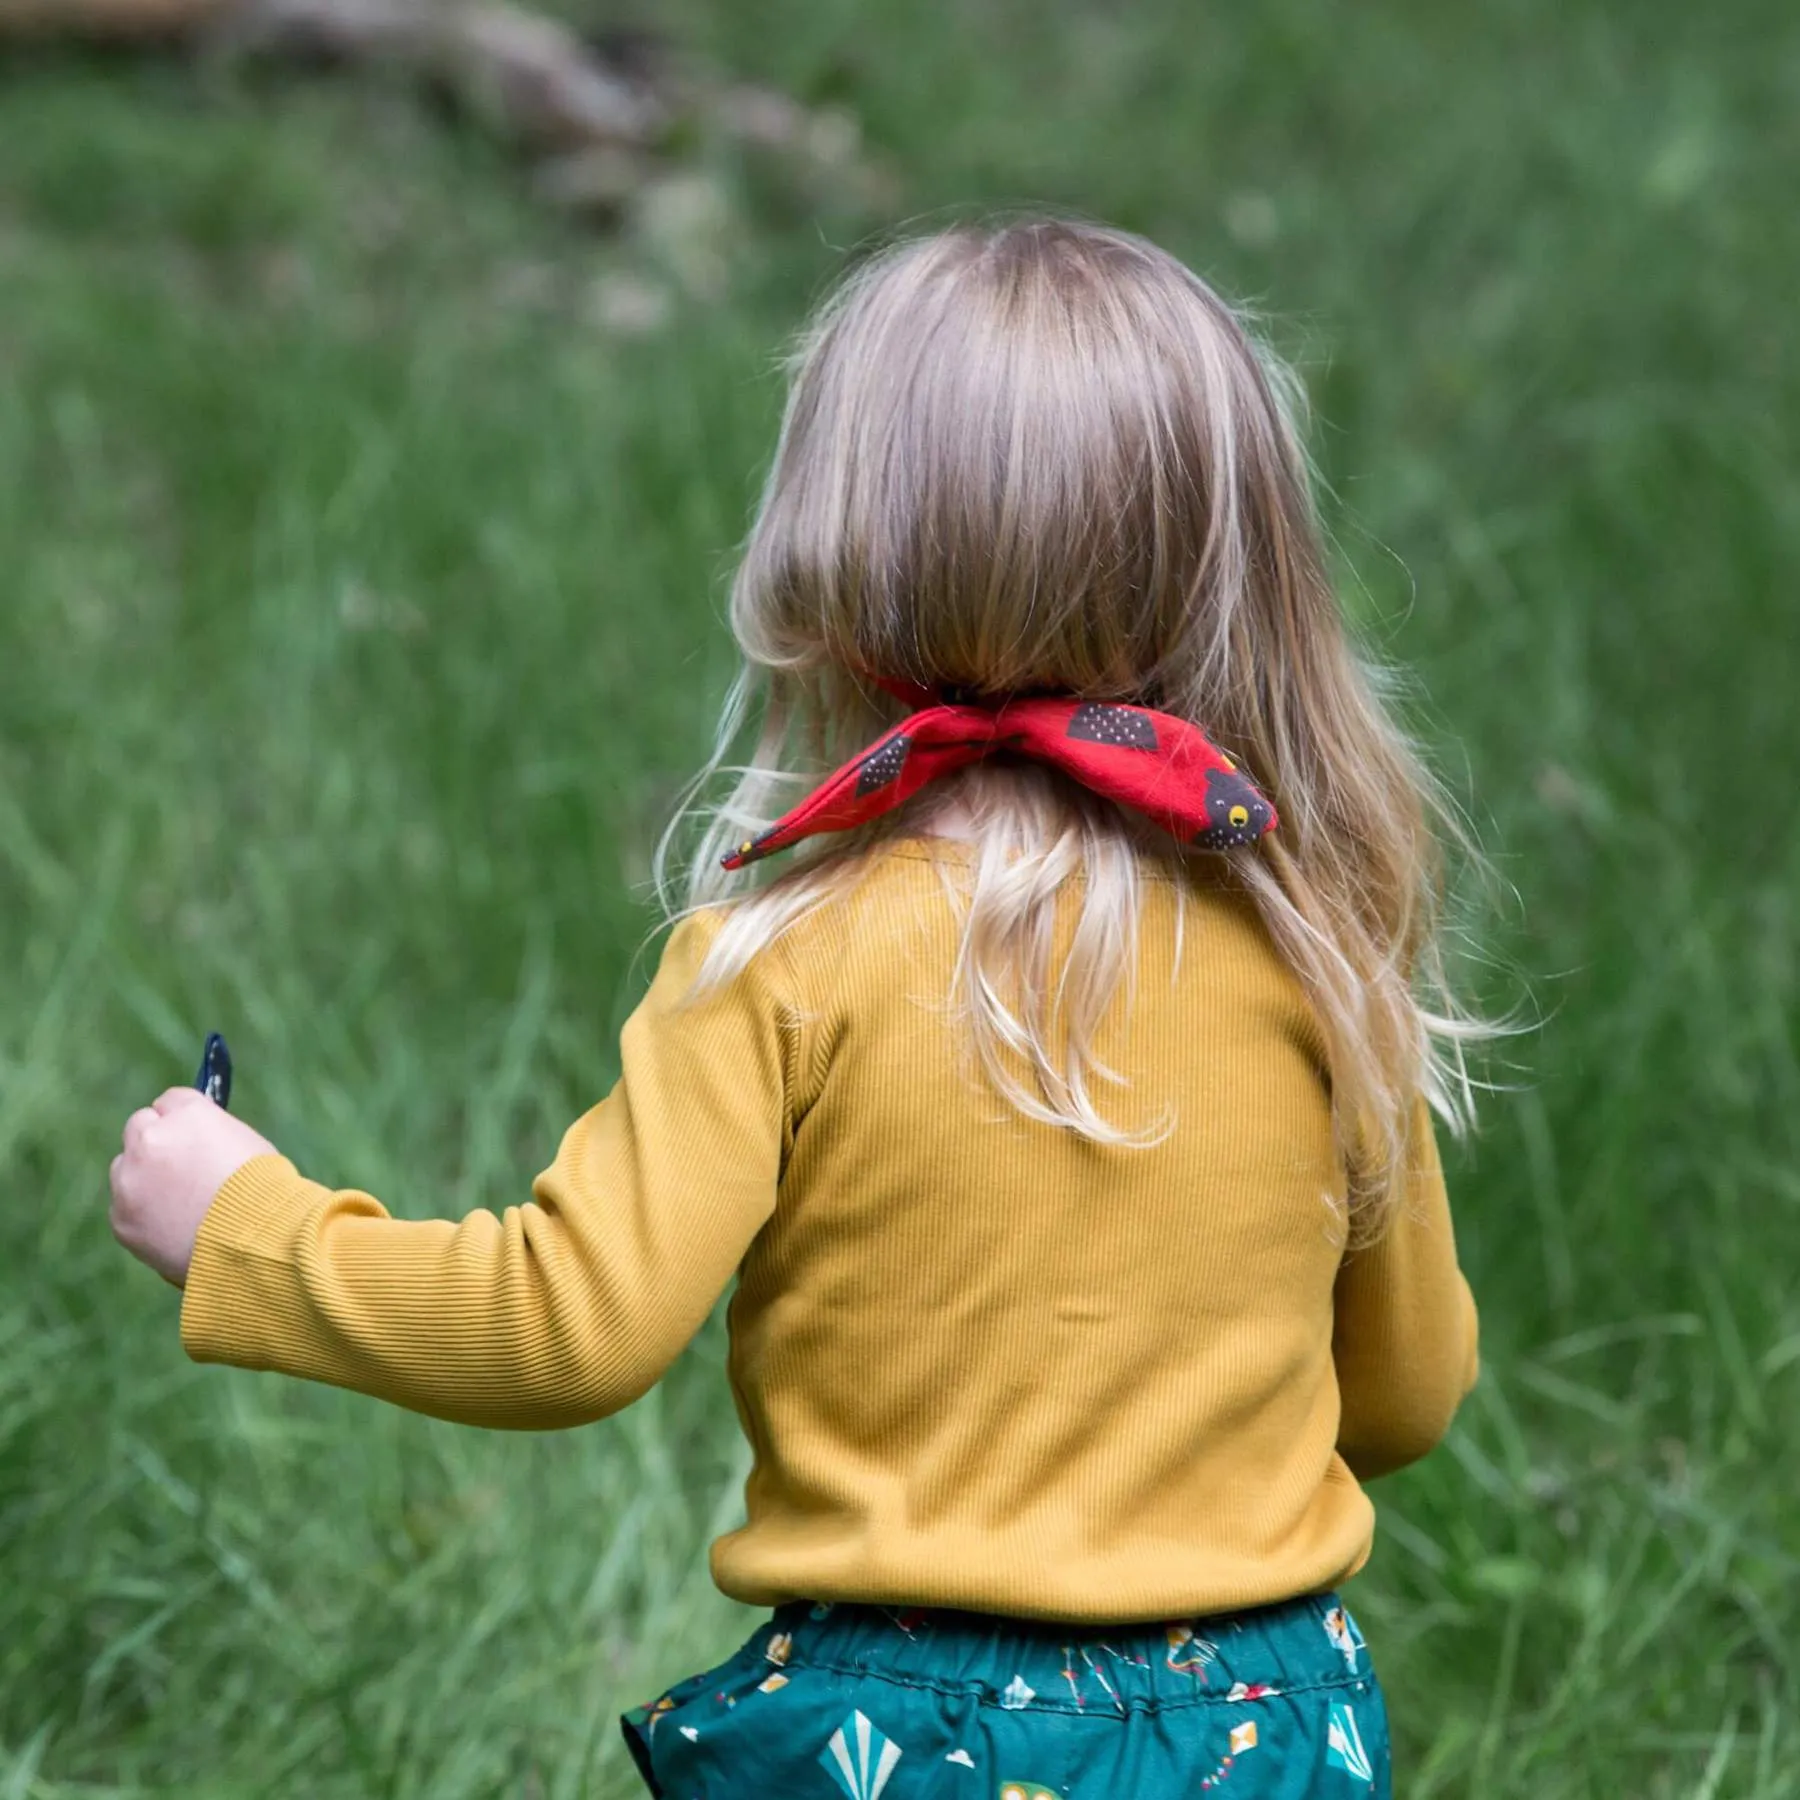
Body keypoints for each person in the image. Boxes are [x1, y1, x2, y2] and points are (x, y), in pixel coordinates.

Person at [110, 217, 1485, 1798]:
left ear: (838, 564)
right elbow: (1404, 1392)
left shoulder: (789, 959)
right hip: (1264, 1728)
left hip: (904, 1738)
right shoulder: (1314, 953)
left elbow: (568, 1330)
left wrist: (253, 1232)